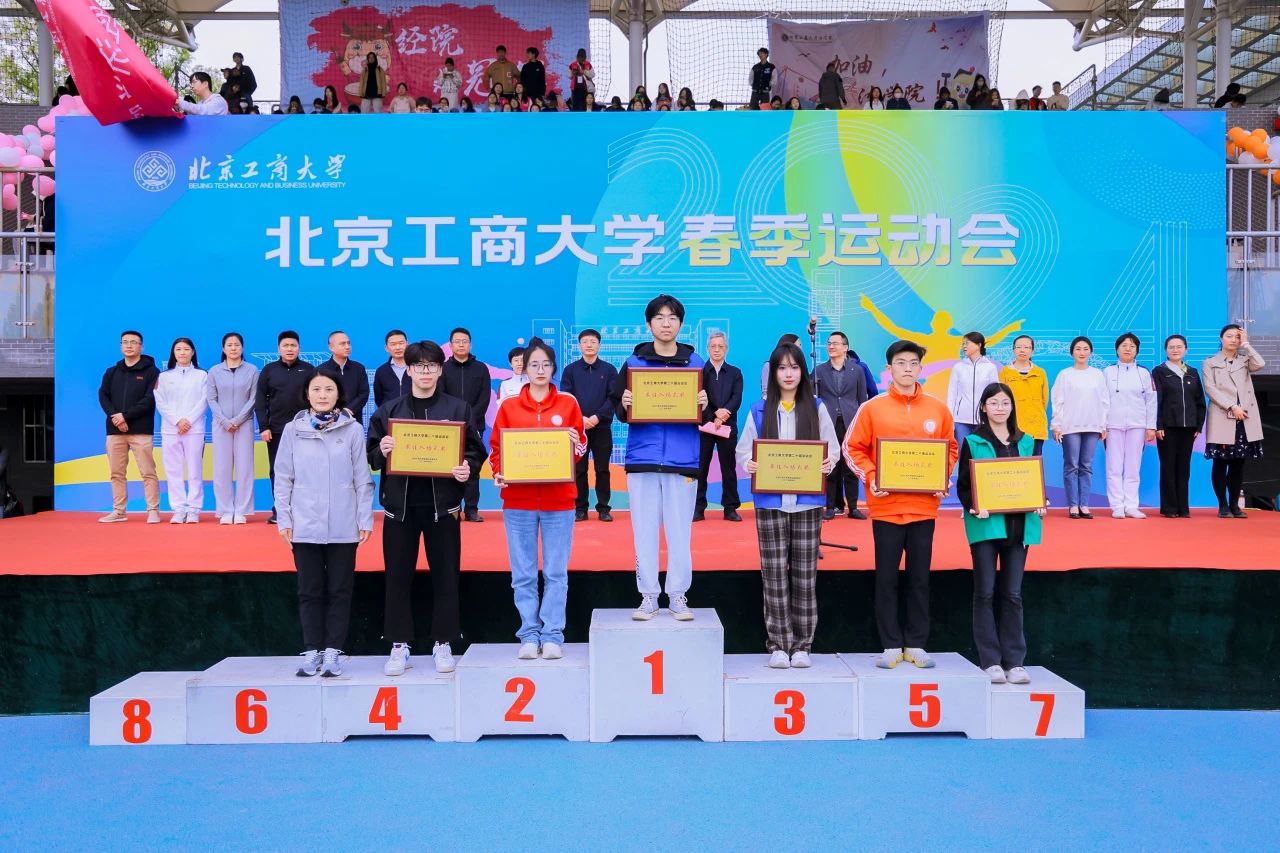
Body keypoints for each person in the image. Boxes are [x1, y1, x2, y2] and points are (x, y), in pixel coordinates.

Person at [368, 341, 485, 676]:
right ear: (408, 370)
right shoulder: (389, 410)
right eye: (418, 366)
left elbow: (475, 452)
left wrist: (466, 467)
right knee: (397, 577)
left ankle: (443, 641)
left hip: (442, 507)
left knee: (446, 577)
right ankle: (399, 644)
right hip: (400, 508)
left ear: (440, 370)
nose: (425, 372)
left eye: (431, 365)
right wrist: (382, 450)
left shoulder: (458, 409)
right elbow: (370, 455)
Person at [845, 339, 957, 669]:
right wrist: (872, 476)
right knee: (887, 578)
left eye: (913, 363)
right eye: (901, 363)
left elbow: (950, 449)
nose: (907, 369)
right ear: (889, 369)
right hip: (886, 508)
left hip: (923, 508)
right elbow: (852, 448)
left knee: (920, 578)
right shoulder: (872, 408)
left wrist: (942, 476)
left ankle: (917, 643)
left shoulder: (938, 409)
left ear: (921, 369)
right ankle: (891, 644)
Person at [737, 343, 839, 668]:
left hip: (807, 502)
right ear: (773, 374)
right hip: (770, 502)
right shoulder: (759, 410)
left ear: (802, 372)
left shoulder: (817, 407)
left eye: (794, 368)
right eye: (782, 368)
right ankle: (779, 645)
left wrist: (827, 463)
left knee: (805, 577)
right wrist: (750, 463)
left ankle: (803, 645)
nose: (789, 374)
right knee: (774, 575)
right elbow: (744, 450)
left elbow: (832, 448)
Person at [611, 294, 708, 620]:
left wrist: (705, 404)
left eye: (672, 318)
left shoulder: (696, 364)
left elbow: (711, 414)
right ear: (649, 323)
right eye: (659, 318)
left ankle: (678, 594)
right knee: (644, 529)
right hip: (643, 458)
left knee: (680, 531)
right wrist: (625, 404)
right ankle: (648, 596)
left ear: (681, 324)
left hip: (683, 459)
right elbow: (619, 411)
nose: (666, 324)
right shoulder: (634, 364)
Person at [489, 338, 586, 660]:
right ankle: (529, 634)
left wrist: (575, 441)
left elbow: (580, 448)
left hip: (560, 501)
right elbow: (497, 449)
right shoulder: (509, 406)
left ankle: (553, 634)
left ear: (553, 368)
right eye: (534, 364)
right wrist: (499, 472)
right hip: (519, 501)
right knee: (524, 574)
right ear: (524, 369)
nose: (540, 370)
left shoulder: (568, 403)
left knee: (556, 573)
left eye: (545, 364)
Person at [276, 368, 374, 678]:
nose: (322, 395)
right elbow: (283, 477)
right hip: (304, 522)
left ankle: (333, 650)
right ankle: (311, 650)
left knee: (340, 590)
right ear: (307, 394)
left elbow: (362, 477)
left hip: (343, 522)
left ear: (338, 394)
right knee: (309, 589)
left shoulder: (352, 429)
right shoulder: (293, 429)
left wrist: (364, 518)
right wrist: (284, 518)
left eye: (329, 389)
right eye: (316, 389)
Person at [956, 383, 1043, 685]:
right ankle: (990, 661)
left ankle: (1015, 662)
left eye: (1005, 402)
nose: (1000, 408)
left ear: (1012, 407)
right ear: (983, 407)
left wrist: (1040, 500)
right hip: (986, 526)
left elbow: (1034, 479)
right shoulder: (973, 441)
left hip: (1019, 527)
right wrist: (974, 505)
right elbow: (964, 485)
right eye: (993, 403)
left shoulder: (1027, 441)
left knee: (1013, 594)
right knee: (985, 592)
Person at [1202, 324, 1265, 518]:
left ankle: (1234, 505)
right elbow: (1210, 389)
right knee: (1220, 462)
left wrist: (1246, 344)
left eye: (1237, 337)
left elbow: (1260, 364)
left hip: (1244, 419)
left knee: (1238, 463)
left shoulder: (1245, 360)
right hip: (1223, 416)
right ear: (1221, 338)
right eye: (1229, 336)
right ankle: (1222, 505)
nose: (1233, 340)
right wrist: (1232, 406)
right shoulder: (1210, 362)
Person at [98, 331, 161, 524]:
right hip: (115, 430)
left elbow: (149, 400)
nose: (129, 345)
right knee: (116, 473)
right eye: (125, 342)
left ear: (141, 346)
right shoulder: (112, 371)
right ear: (120, 346)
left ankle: (153, 510)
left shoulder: (152, 372)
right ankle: (119, 511)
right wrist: (115, 417)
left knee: (148, 472)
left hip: (141, 430)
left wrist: (125, 416)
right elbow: (103, 395)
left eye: (133, 342)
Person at [255, 331, 316, 524]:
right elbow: (260, 400)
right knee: (277, 470)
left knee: (304, 470)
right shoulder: (269, 370)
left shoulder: (309, 370)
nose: (290, 349)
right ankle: (279, 510)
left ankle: (303, 510)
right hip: (276, 430)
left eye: (293, 345)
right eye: (286, 346)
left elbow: (316, 398)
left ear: (299, 348)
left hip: (304, 430)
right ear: (278, 349)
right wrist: (264, 427)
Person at [560, 328, 618, 523]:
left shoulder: (609, 370)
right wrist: (580, 418)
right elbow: (566, 397)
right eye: (585, 342)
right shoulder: (571, 370)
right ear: (579, 345)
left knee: (602, 469)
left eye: (593, 341)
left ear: (599, 345)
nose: (589, 345)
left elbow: (613, 397)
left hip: (601, 428)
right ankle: (580, 509)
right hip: (578, 429)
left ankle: (603, 508)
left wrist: (598, 417)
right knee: (579, 470)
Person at [1051, 336, 1108, 519]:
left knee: (1086, 466)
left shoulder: (1098, 374)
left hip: (1092, 425)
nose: (1082, 352)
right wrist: (1056, 425)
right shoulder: (1065, 374)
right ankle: (1073, 505)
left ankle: (1084, 504)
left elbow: (1104, 401)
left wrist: (1103, 425)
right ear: (1072, 352)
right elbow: (1057, 401)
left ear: (1090, 352)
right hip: (1070, 426)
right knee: (1072, 465)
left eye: (1085, 349)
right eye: (1078, 349)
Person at [815, 331, 869, 520]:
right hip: (828, 423)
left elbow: (862, 398)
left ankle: (853, 507)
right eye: (829, 343)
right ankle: (830, 507)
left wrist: (862, 422)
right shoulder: (819, 370)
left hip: (851, 423)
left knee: (850, 467)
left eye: (835, 343)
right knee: (830, 465)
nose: (831, 346)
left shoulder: (857, 370)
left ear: (845, 347)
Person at [154, 337, 209, 524]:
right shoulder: (164, 376)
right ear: (173, 353)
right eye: (178, 349)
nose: (182, 352)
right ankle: (178, 509)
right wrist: (177, 421)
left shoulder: (202, 375)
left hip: (194, 429)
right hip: (171, 430)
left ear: (192, 352)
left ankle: (193, 509)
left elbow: (204, 400)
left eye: (186, 349)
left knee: (195, 470)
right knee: (173, 471)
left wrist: (189, 420)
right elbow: (160, 401)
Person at [1103, 333, 1157, 519]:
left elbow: (1151, 400)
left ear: (1137, 351)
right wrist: (1102, 425)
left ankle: (1131, 505)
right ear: (1117, 349)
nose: (1128, 349)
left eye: (1132, 346)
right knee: (1114, 467)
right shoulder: (1108, 372)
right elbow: (1102, 400)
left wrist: (1151, 426)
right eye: (1124, 345)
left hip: (1137, 424)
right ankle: (1117, 505)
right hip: (1112, 425)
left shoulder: (1144, 373)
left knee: (1133, 467)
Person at [207, 333, 258, 525]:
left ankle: (242, 510)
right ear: (223, 348)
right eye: (229, 345)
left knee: (245, 467)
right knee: (221, 468)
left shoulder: (252, 370)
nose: (233, 348)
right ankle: (225, 510)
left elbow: (253, 399)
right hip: (221, 425)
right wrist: (224, 421)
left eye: (237, 345)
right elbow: (211, 399)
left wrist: (237, 420)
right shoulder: (214, 371)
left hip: (244, 424)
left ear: (242, 348)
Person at [1153, 334, 1206, 518]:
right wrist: (1158, 424)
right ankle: (1169, 508)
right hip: (1167, 427)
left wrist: (1198, 426)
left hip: (1188, 428)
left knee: (1184, 468)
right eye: (1171, 347)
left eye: (1179, 346)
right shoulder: (1159, 371)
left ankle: (1183, 508)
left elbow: (1200, 401)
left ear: (1185, 349)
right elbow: (1156, 400)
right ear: (1166, 350)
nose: (1175, 350)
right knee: (1168, 466)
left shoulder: (1192, 372)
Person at [441, 327, 491, 522]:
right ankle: (453, 508)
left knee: (472, 467)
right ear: (451, 345)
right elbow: (441, 396)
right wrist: (453, 420)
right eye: (457, 341)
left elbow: (484, 398)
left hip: (475, 425)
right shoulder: (443, 368)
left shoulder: (481, 368)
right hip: (449, 426)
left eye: (465, 341)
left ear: (470, 344)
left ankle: (471, 509)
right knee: (450, 468)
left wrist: (470, 420)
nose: (461, 344)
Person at [694, 332, 743, 522]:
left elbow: (736, 398)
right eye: (713, 346)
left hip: (727, 426)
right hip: (705, 425)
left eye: (720, 346)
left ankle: (730, 508)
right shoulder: (700, 372)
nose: (716, 350)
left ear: (726, 349)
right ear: (707, 348)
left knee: (728, 467)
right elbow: (698, 397)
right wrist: (713, 415)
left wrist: (724, 414)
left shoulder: (735, 373)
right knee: (701, 468)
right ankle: (698, 508)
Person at [947, 332, 1000, 446]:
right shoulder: (958, 367)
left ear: (979, 345)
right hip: (961, 420)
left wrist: (994, 418)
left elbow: (995, 395)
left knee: (981, 452)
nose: (964, 346)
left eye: (967, 343)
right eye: (963, 344)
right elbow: (952, 395)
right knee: (963, 452)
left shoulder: (990, 368)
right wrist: (950, 419)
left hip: (984, 420)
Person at [999, 335, 1048, 454]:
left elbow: (1044, 400)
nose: (1022, 350)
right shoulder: (1005, 372)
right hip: (1013, 427)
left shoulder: (1040, 372)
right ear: (1013, 350)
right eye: (1019, 347)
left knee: (1035, 461)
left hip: (1036, 427)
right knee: (1015, 461)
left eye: (1026, 347)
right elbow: (1000, 398)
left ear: (1032, 351)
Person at [318, 330, 370, 425]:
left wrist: (348, 409)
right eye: (342, 344)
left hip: (354, 420)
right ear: (331, 347)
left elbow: (363, 394)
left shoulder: (358, 368)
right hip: (329, 422)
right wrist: (336, 413)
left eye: (348, 343)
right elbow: (319, 396)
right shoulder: (321, 370)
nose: (347, 347)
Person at [373, 329, 410, 407]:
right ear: (386, 348)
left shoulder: (416, 368)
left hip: (412, 413)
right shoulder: (381, 371)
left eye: (401, 343)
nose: (398, 347)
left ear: (407, 344)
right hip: (389, 413)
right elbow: (379, 398)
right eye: (393, 344)